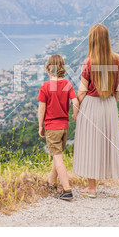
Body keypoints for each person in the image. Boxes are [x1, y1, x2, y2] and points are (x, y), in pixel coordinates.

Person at [73, 23, 119, 201]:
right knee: (115, 145)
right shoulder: (118, 60)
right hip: (110, 104)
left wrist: (75, 110)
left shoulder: (89, 62)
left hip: (91, 105)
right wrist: (112, 103)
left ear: (92, 40)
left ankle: (92, 189)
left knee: (92, 145)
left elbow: (82, 91)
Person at [38, 54, 80, 201]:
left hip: (52, 127)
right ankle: (51, 183)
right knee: (57, 156)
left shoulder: (45, 86)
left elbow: (41, 109)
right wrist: (75, 115)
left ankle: (67, 190)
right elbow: (75, 102)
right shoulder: (67, 84)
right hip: (64, 127)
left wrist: (40, 126)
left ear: (48, 68)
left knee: (58, 158)